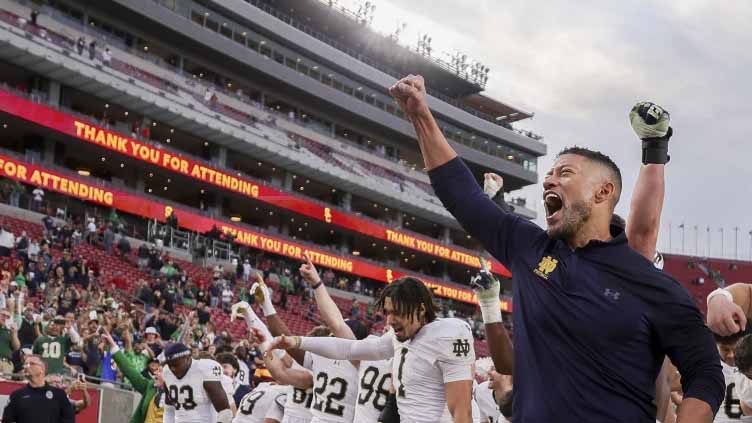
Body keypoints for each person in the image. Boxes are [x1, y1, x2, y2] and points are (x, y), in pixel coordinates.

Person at [387, 74, 723, 421]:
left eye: (565, 173)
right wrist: (421, 116)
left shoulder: (651, 284)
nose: (549, 179)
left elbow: (706, 373)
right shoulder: (529, 248)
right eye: (549, 173)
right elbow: (464, 197)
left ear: (602, 192)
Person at [269, 276, 476, 423]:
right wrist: (297, 341)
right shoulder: (399, 337)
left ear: (421, 310)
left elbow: (461, 412)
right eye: (387, 312)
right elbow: (350, 348)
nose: (390, 320)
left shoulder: (449, 334)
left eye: (398, 313)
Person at [103, 330, 164, 423]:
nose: (156, 373)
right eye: (157, 370)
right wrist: (113, 346)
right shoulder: (151, 386)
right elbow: (130, 371)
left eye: (160, 371)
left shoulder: (178, 395)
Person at [161, 342, 232, 423]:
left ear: (187, 358)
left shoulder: (204, 370)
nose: (172, 369)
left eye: (176, 365)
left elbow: (225, 412)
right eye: (170, 365)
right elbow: (169, 409)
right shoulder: (167, 372)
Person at [1, 354, 74, 423]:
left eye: (31, 364)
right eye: (25, 364)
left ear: (42, 368)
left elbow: (68, 419)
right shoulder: (17, 395)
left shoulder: (59, 395)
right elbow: (7, 420)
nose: (26, 366)